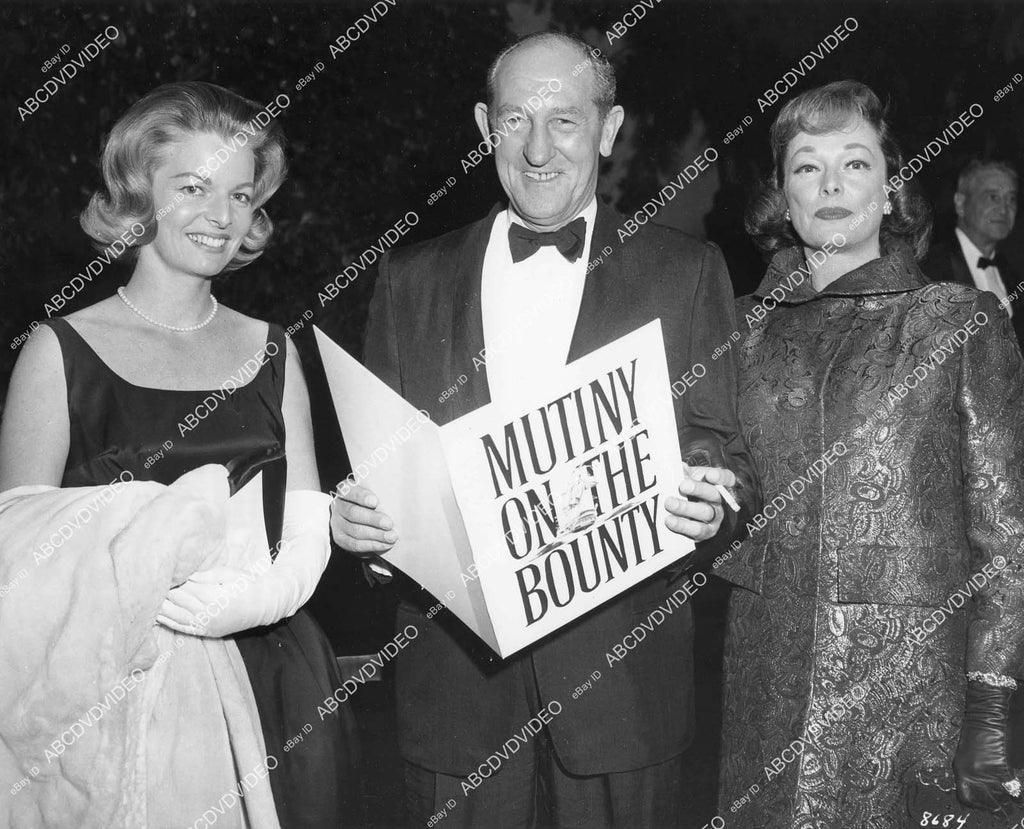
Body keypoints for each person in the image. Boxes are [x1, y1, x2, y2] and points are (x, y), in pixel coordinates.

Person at [326, 31, 758, 829]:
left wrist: (712, 500)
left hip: (624, 697)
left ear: (608, 126)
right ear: (485, 125)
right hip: (453, 703)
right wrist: (364, 535)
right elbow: (380, 471)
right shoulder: (408, 280)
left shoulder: (686, 273)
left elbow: (723, 452)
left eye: (565, 120)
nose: (537, 147)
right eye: (516, 119)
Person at [0, 82, 355, 827]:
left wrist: (266, 594)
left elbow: (306, 522)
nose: (220, 216)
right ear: (137, 194)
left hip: (275, 680)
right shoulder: (59, 350)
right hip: (111, 691)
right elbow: (17, 574)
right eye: (192, 187)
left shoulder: (272, 348)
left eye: (239, 193)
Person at [716, 79, 1024, 827]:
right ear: (781, 196)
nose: (829, 184)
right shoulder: (739, 332)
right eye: (805, 166)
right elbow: (731, 500)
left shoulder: (957, 321)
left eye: (854, 163)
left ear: (890, 192)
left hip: (911, 705)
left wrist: (991, 714)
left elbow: (1007, 542)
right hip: (764, 690)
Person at [921, 158, 1024, 351]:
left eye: (1011, 199)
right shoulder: (930, 268)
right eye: (992, 197)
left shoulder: (1013, 275)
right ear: (960, 204)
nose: (1004, 209)